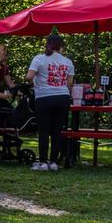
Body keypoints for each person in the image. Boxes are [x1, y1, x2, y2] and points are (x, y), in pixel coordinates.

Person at [25, 34, 74, 171]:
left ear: (47, 45)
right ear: (61, 47)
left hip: (44, 98)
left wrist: (30, 82)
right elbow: (69, 83)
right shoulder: (68, 62)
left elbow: (29, 76)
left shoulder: (39, 59)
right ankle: (54, 162)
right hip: (63, 97)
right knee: (57, 131)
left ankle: (43, 162)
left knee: (44, 131)